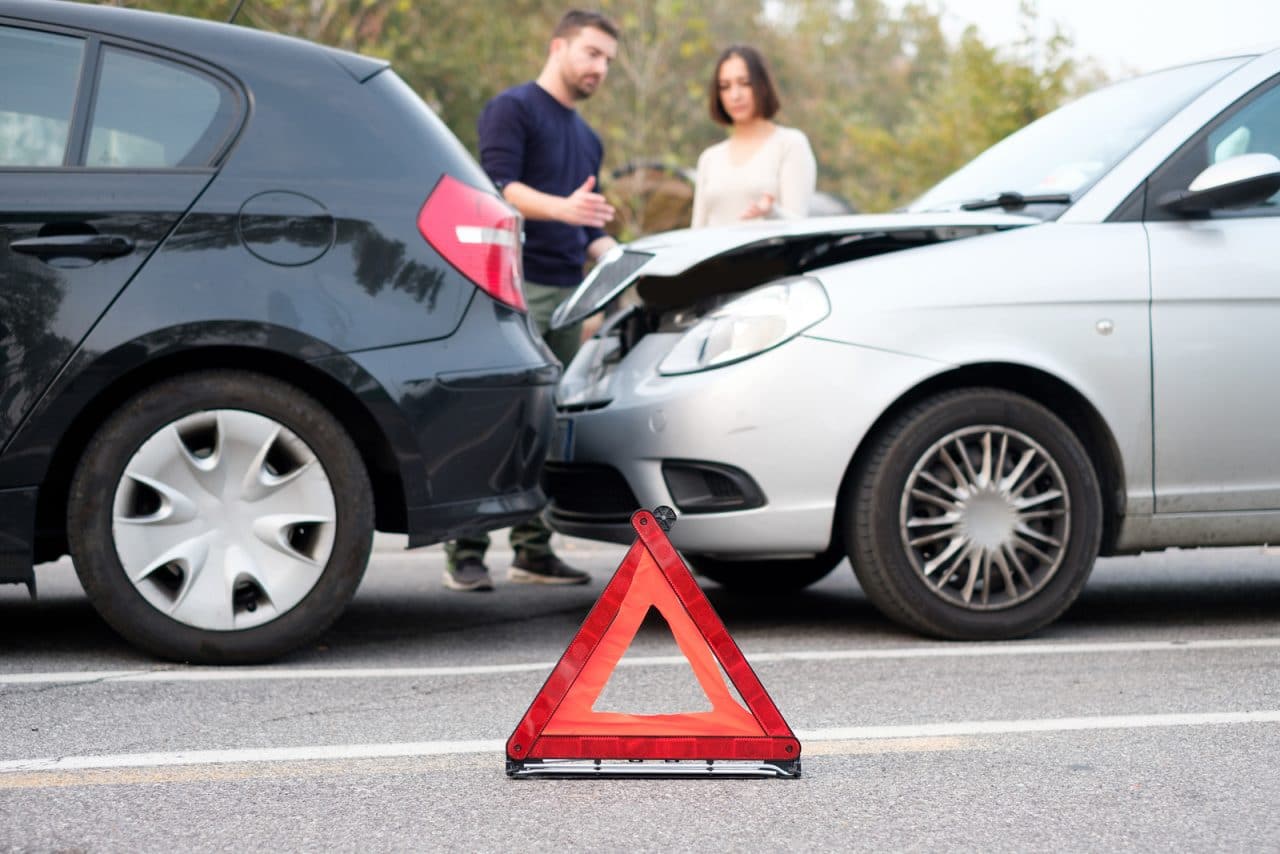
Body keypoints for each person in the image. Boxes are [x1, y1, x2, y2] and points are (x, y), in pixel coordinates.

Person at [443, 9, 620, 592]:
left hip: (568, 295)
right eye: (592, 53)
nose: (600, 68)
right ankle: (465, 550)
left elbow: (586, 227)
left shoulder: (588, 137)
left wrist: (612, 251)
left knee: (547, 423)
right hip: (509, 288)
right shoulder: (512, 109)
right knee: (496, 416)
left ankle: (532, 550)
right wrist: (563, 209)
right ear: (558, 47)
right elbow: (496, 190)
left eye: (608, 61)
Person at [691, 45, 816, 228]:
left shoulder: (790, 144)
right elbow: (697, 232)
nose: (735, 95)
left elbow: (799, 227)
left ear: (762, 85)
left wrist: (771, 213)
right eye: (725, 87)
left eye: (745, 83)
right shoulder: (710, 158)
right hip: (717, 258)